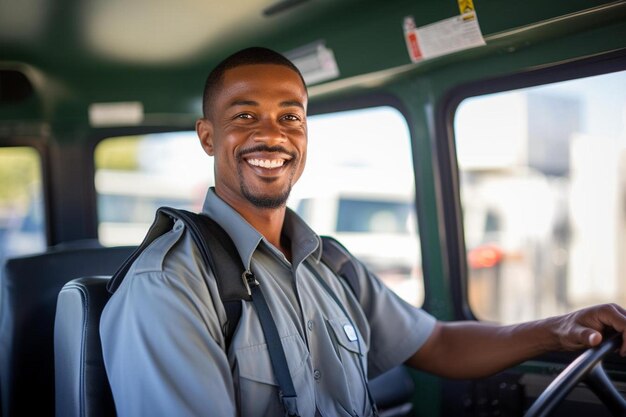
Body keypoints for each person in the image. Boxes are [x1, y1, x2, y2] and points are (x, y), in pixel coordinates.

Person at [100, 47, 626, 417]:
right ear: (208, 137)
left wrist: (558, 329)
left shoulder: (330, 265)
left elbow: (438, 343)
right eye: (244, 116)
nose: (272, 134)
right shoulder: (168, 285)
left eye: (291, 117)